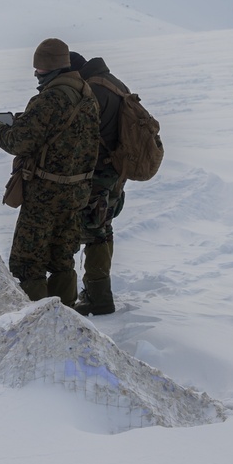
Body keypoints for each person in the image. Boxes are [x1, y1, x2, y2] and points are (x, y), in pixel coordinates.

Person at [0, 38, 100, 305]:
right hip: (77, 192)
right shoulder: (86, 94)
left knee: (28, 263)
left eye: (39, 70)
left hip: (46, 195)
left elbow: (19, 142)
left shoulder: (50, 98)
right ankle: (66, 319)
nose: (36, 75)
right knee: (61, 258)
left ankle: (33, 325)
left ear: (47, 69)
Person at [68, 50, 129, 315]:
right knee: (103, 230)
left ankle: (98, 297)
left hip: (99, 174)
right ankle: (97, 293)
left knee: (93, 233)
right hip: (116, 172)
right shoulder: (112, 82)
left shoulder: (93, 90)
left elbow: (80, 136)